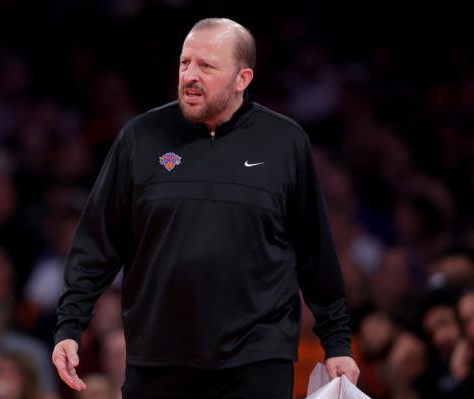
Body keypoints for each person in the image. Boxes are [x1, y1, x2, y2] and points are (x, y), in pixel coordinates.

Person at [52, 17, 359, 398]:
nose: (189, 75)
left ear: (242, 78)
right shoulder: (140, 137)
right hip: (159, 356)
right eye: (185, 63)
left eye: (206, 66)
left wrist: (337, 343)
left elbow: (315, 252)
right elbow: (96, 243)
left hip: (257, 357)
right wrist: (70, 326)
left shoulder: (285, 142)